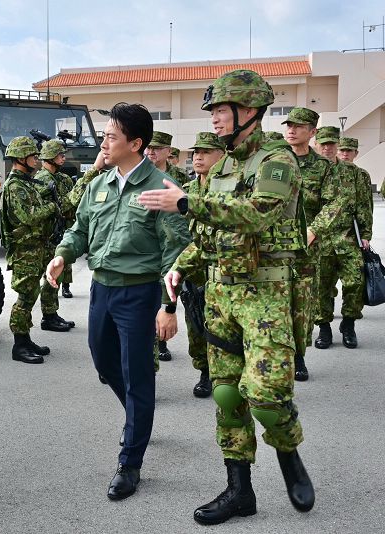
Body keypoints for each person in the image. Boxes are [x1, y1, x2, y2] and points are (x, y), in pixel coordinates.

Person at [139, 69, 315, 524]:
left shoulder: (277, 160)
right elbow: (208, 236)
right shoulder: (221, 168)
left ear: (250, 110)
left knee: (267, 395)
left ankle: (289, 453)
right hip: (220, 294)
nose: (215, 119)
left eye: (221, 110)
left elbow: (256, 215)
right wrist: (183, 266)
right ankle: (240, 490)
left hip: (265, 294)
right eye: (213, 111)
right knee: (226, 394)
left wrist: (185, 202)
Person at [46, 102, 189, 500]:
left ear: (135, 143)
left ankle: (130, 463)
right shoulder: (99, 184)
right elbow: (79, 229)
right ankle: (138, 413)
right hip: (102, 289)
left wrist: (169, 306)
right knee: (103, 360)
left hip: (139, 292)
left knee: (137, 371)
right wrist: (62, 255)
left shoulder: (161, 189)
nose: (104, 143)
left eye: (111, 137)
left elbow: (175, 252)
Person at [282, 108, 350, 380]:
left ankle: (299, 356)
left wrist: (314, 229)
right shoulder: (274, 160)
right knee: (272, 303)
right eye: (289, 125)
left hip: (306, 249)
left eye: (299, 126)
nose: (292, 130)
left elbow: (335, 203)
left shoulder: (324, 167)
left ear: (312, 132)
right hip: (272, 246)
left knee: (301, 306)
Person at [1, 136, 70, 364]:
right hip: (25, 250)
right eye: (32, 156)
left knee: (31, 295)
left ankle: (26, 339)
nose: (36, 160)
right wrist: (52, 206)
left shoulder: (27, 182)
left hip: (35, 247)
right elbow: (29, 216)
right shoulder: (15, 186)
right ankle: (19, 346)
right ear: (21, 158)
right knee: (25, 296)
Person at [313, 127, 371, 349]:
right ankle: (324, 329)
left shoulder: (354, 173)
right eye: (323, 144)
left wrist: (365, 234)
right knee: (321, 287)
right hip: (319, 240)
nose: (327, 148)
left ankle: (348, 324)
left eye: (332, 144)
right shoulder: (310, 171)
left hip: (348, 238)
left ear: (337, 145)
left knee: (356, 282)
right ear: (316, 145)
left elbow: (364, 205)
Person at [183, 131, 225, 397]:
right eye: (196, 152)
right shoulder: (186, 191)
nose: (198, 157)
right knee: (196, 325)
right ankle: (204, 372)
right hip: (194, 270)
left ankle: (225, 374)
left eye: (206, 152)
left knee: (223, 327)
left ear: (222, 156)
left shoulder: (228, 191)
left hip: (222, 271)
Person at [145, 130, 190, 362]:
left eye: (157, 148)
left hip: (172, 241)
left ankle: (161, 340)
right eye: (149, 147)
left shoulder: (179, 177)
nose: (151, 152)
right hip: (149, 243)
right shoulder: (141, 174)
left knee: (166, 292)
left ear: (168, 151)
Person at [35, 139, 76, 299]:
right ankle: (51, 290)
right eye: (60, 155)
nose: (64, 158)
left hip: (65, 223)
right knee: (53, 260)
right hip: (51, 229)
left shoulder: (63, 178)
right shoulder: (43, 179)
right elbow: (59, 205)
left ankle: (65, 285)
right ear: (51, 157)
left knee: (66, 258)